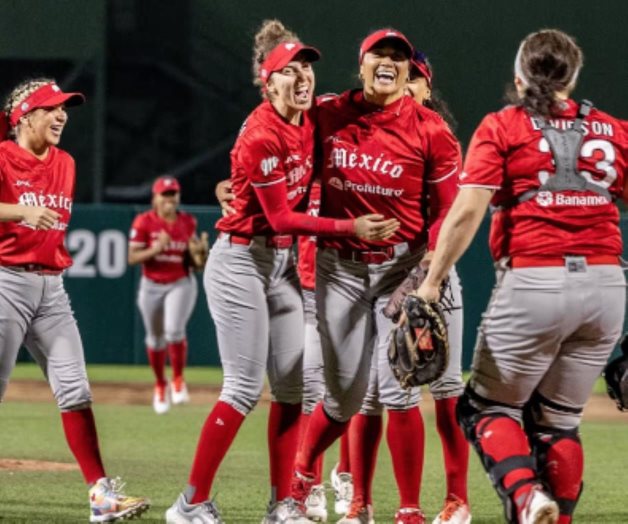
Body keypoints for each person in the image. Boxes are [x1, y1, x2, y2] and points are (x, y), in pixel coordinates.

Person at [165, 20, 399, 524]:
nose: (302, 79)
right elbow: (280, 219)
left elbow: (356, 105)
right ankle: (189, 503)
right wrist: (349, 225)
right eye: (287, 72)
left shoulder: (313, 116)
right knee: (244, 387)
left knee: (295, 389)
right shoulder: (261, 134)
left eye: (306, 69)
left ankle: (282, 505)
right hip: (241, 262)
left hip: (283, 264)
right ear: (265, 83)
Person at [414, 29, 628, 524]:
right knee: (558, 423)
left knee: (487, 409)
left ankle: (528, 496)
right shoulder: (614, 130)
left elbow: (467, 212)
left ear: (518, 76)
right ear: (572, 79)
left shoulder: (503, 125)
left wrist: (431, 281)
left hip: (536, 282)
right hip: (605, 288)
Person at [287, 28, 461, 524]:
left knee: (400, 385)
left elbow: (446, 216)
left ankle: (408, 510)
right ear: (361, 65)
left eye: (398, 57)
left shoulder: (432, 130)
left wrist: (426, 277)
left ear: (408, 72)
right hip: (338, 269)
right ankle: (301, 476)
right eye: (379, 55)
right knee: (344, 397)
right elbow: (279, 145)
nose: (389, 62)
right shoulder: (325, 114)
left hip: (401, 269)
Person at [0, 78, 150, 522]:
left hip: (52, 288)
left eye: (65, 108)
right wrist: (20, 210)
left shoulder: (65, 162)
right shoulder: (3, 157)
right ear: (25, 116)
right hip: (6, 281)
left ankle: (100, 496)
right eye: (52, 108)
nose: (62, 115)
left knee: (76, 391)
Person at [337, 49, 471, 524]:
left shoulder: (438, 138)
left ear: (427, 88)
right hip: (378, 276)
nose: (407, 82)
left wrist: (431, 274)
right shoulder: (368, 132)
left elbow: (454, 217)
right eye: (401, 74)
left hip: (432, 276)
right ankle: (361, 502)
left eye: (415, 77)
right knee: (372, 392)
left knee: (447, 383)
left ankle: (457, 500)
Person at [128, 175, 208, 414]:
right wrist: (156, 248)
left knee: (174, 330)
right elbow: (132, 258)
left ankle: (178, 379)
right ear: (155, 198)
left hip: (180, 282)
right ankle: (160, 384)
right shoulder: (144, 222)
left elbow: (195, 264)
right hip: (151, 284)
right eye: (165, 194)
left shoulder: (187, 222)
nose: (170, 199)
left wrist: (200, 257)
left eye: (173, 194)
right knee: (155, 338)